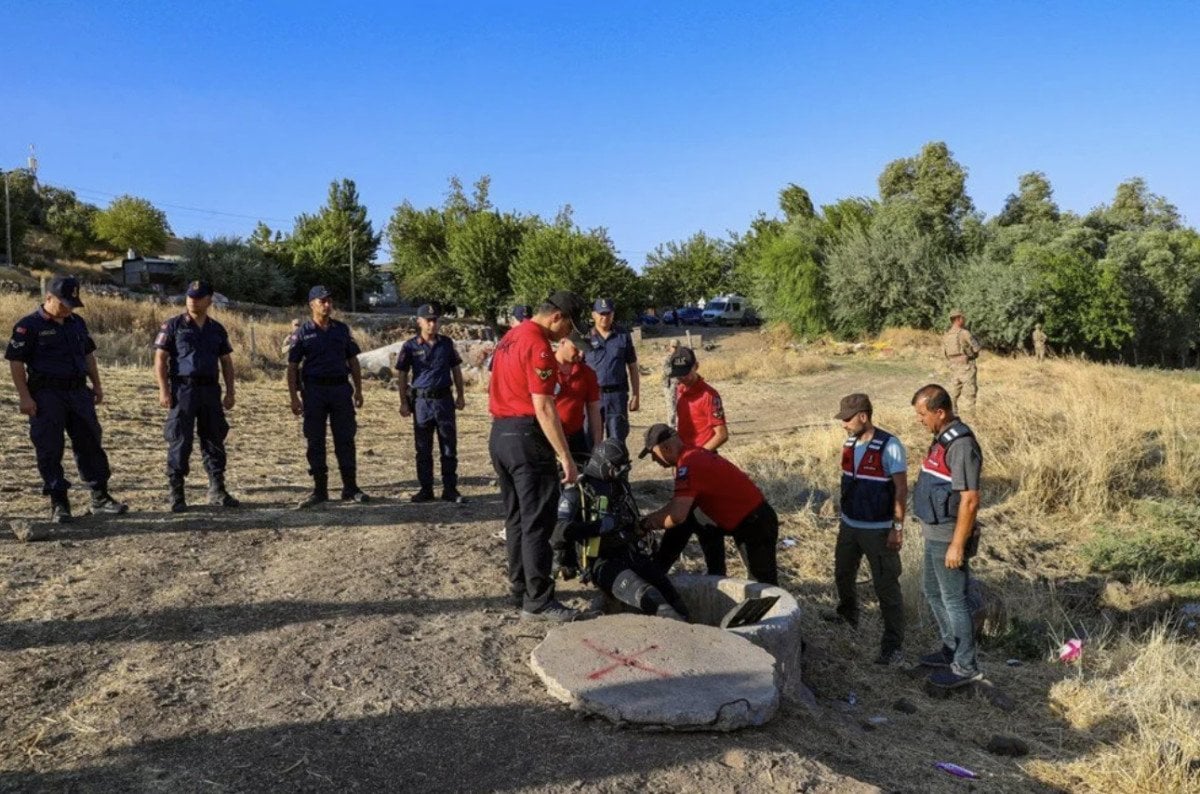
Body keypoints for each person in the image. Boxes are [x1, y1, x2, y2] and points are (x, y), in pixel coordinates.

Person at [489, 290, 589, 621]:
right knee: (538, 522)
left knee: (516, 517)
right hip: (525, 437)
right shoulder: (538, 346)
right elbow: (544, 406)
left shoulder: (510, 337)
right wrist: (566, 456)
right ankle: (539, 600)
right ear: (556, 317)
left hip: (500, 434)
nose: (568, 337)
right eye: (569, 328)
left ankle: (520, 588)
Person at [5, 275, 127, 522]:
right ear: (48, 298)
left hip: (78, 392)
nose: (68, 309)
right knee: (49, 447)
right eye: (64, 304)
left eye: (72, 304)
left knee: (90, 441)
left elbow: (88, 355)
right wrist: (24, 397)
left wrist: (97, 385)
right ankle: (59, 502)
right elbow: (16, 362)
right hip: (46, 394)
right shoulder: (28, 326)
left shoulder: (76, 323)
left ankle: (100, 497)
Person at [551, 439, 689, 621]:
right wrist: (598, 527)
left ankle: (690, 630)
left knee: (670, 593)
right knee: (652, 598)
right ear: (604, 465)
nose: (622, 472)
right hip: (601, 562)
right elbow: (558, 533)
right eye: (618, 467)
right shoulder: (578, 491)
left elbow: (632, 519)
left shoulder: (619, 486)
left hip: (630, 553)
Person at [639, 424, 778, 584]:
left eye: (653, 454)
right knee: (691, 517)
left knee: (763, 586)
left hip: (755, 524)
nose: (653, 459)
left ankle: (659, 574)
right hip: (741, 518)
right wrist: (650, 520)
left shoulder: (689, 464)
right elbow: (678, 507)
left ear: (666, 448)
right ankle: (659, 574)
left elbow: (676, 516)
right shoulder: (691, 455)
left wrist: (645, 525)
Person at [911, 383, 984, 688]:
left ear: (940, 412)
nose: (919, 419)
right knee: (932, 591)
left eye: (922, 413)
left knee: (954, 598)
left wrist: (957, 543)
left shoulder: (962, 445)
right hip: (934, 531)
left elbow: (970, 499)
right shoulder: (942, 438)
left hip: (948, 536)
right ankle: (950, 648)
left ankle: (965, 666)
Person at [829, 393, 907, 666]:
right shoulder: (849, 442)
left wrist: (897, 528)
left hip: (879, 530)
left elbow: (900, 488)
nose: (844, 424)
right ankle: (847, 615)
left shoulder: (890, 445)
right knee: (842, 574)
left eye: (848, 419)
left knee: (886, 587)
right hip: (850, 526)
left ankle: (893, 644)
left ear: (864, 416)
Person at [153, 280, 239, 512]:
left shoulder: (216, 329)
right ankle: (177, 493)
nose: (192, 299)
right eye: (190, 295)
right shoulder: (173, 325)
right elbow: (160, 359)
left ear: (209, 300)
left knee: (214, 438)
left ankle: (217, 489)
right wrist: (163, 390)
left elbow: (226, 362)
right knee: (180, 439)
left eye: (198, 296)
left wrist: (230, 391)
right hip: (183, 389)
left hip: (210, 390)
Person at [287, 285, 368, 508]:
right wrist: (294, 397)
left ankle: (350, 487)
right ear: (311, 304)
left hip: (340, 390)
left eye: (329, 301)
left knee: (345, 438)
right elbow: (293, 366)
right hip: (314, 392)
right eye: (322, 301)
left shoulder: (341, 330)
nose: (327, 305)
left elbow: (353, 361)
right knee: (315, 440)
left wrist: (359, 390)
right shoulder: (302, 333)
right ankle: (320, 490)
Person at [396, 304, 466, 503]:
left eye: (435, 320)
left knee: (448, 447)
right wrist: (403, 402)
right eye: (428, 320)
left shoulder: (446, 343)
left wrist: (460, 395)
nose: (432, 324)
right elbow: (402, 374)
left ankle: (450, 489)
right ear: (419, 322)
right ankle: (426, 489)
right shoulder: (410, 346)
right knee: (423, 449)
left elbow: (456, 370)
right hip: (422, 402)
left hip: (444, 401)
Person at [583, 297, 639, 442]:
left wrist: (636, 395)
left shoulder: (623, 336)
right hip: (593, 397)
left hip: (617, 397)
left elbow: (632, 366)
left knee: (617, 440)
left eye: (608, 313)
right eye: (601, 313)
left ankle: (617, 465)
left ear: (613, 314)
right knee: (592, 439)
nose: (604, 317)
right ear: (593, 315)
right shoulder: (586, 338)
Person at [553, 334, 602, 465]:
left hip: (576, 436)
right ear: (563, 341)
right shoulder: (544, 368)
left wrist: (597, 443)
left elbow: (594, 409)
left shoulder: (587, 373)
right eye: (576, 348)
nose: (580, 354)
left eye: (583, 350)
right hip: (548, 438)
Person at [670, 346, 728, 451]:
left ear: (696, 366)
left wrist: (698, 456)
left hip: (702, 456)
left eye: (685, 373)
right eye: (678, 374)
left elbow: (722, 435)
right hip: (684, 453)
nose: (682, 378)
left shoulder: (709, 396)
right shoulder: (680, 389)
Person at [942, 309, 981, 413]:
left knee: (953, 394)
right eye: (963, 318)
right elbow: (976, 348)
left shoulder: (946, 335)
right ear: (959, 319)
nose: (965, 320)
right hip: (966, 366)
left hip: (953, 367)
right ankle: (971, 417)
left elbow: (944, 353)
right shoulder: (964, 333)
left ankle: (953, 415)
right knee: (970, 393)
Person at [661, 338, 680, 426]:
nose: (675, 349)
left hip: (680, 386)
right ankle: (672, 427)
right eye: (673, 347)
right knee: (672, 409)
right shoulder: (666, 359)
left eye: (677, 347)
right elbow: (667, 371)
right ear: (669, 347)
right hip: (670, 386)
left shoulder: (681, 359)